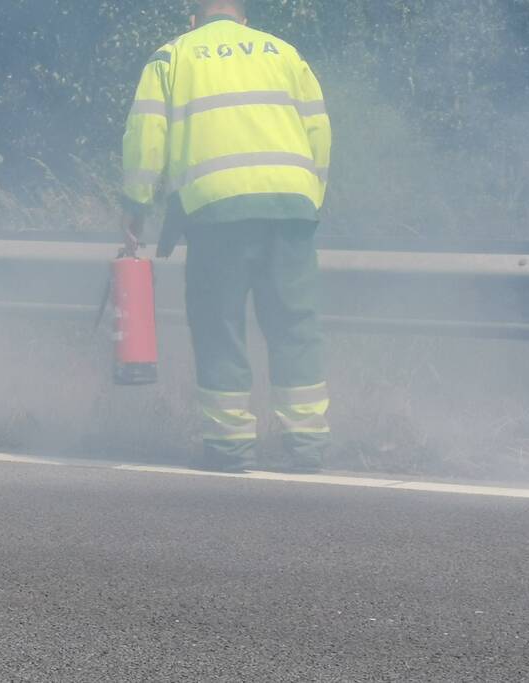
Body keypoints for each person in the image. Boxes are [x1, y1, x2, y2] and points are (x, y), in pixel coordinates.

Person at [120, 0, 332, 473]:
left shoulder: (173, 56)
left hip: (217, 212)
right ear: (244, 19)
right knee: (294, 323)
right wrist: (310, 197)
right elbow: (319, 132)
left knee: (220, 325)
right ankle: (307, 443)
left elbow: (145, 136)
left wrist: (137, 205)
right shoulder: (284, 52)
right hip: (291, 206)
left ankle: (231, 444)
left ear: (193, 19)